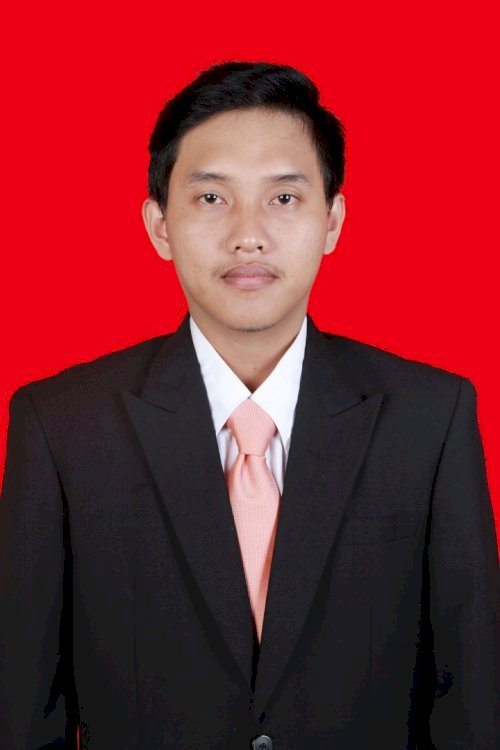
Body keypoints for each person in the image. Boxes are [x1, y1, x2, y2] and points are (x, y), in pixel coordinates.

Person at [0, 61, 498, 750]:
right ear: (159, 225)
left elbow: (472, 701)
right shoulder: (61, 427)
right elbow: (26, 713)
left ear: (333, 220)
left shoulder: (429, 419)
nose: (248, 235)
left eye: (284, 198)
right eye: (211, 198)